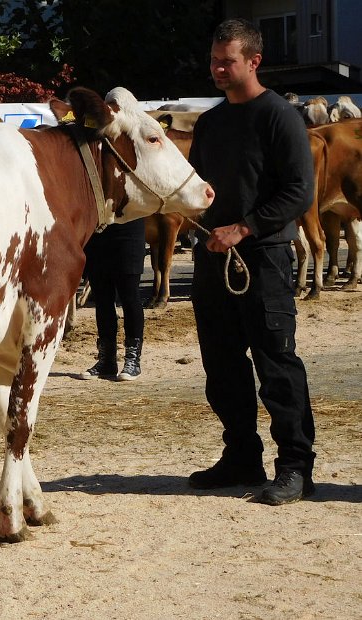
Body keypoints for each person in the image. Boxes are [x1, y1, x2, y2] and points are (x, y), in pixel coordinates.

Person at [187, 18, 316, 506]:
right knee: (222, 368)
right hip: (213, 260)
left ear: (254, 61)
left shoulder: (278, 116)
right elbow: (198, 186)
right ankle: (241, 456)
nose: (218, 69)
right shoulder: (212, 122)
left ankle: (295, 467)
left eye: (229, 61)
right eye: (215, 60)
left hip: (263, 257)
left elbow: (299, 191)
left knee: (276, 364)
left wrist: (244, 227)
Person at [75, 219, 146, 381]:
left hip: (129, 230)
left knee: (129, 296)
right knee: (101, 299)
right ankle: (107, 360)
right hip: (97, 232)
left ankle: (133, 360)